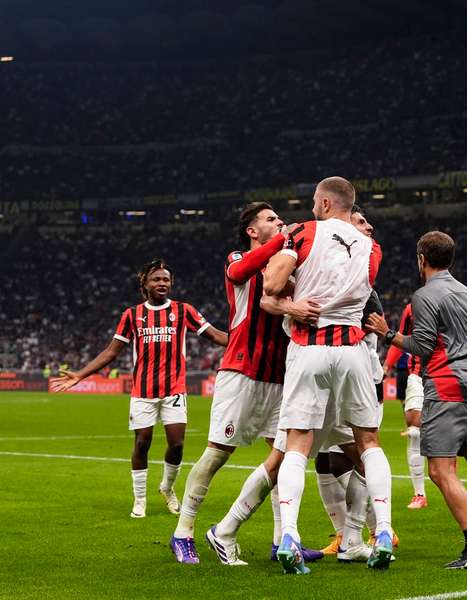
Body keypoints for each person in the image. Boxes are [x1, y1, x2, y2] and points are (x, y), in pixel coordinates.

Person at [170, 202, 322, 565]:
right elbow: (240, 271)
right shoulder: (238, 258)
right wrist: (286, 238)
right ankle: (183, 533)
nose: (279, 222)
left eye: (280, 219)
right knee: (217, 454)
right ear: (253, 231)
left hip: (281, 375)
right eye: (270, 219)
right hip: (242, 370)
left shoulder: (289, 266)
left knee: (283, 457)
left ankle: (282, 539)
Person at [367, 231, 467, 569]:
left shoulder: (424, 295)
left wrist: (387, 334)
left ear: (421, 258)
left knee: (439, 470)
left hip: (445, 386)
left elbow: (422, 347)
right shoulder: (464, 291)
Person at [263, 176, 393, 574]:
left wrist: (291, 300)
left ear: (322, 202)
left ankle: (288, 534)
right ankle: (383, 531)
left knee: (298, 445)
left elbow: (271, 283)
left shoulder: (303, 232)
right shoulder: (373, 248)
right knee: (368, 442)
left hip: (310, 347)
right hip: (354, 352)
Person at [50, 259, 228, 519]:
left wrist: (246, 342)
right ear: (145, 284)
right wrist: (80, 374)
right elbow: (111, 352)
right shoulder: (132, 315)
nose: (162, 283)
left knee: (177, 445)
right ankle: (140, 499)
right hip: (142, 392)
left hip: (174, 389)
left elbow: (214, 335)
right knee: (142, 442)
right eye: (156, 279)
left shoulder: (184, 310)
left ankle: (167, 488)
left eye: (166, 279)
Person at [383, 302, 428, 509]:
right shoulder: (412, 308)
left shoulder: (456, 301)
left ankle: (449, 479)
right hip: (417, 374)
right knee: (414, 428)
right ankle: (419, 493)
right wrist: (386, 366)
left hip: (447, 375)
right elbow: (400, 338)